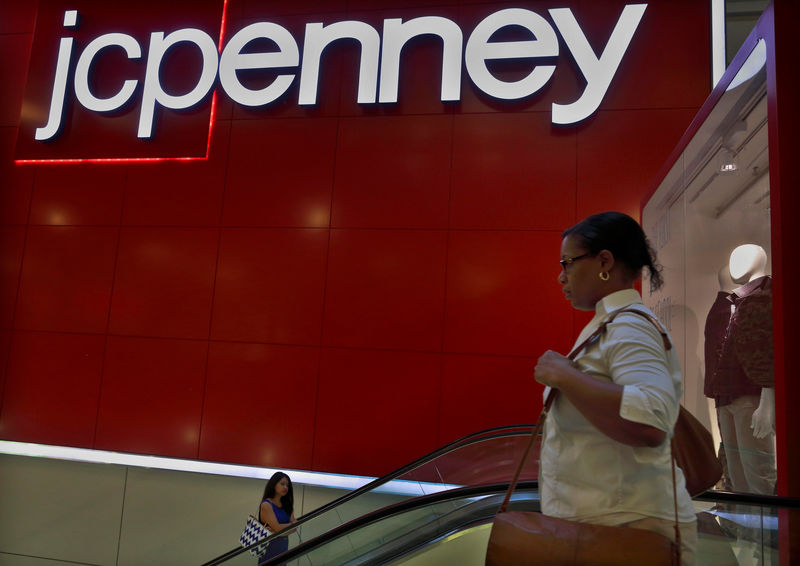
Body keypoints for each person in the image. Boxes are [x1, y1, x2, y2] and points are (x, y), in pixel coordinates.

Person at [533, 211, 697, 565]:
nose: (561, 276)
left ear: (604, 261)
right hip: (611, 521)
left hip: (628, 527)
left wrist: (565, 376)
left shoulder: (629, 327)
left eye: (568, 263)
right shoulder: (610, 324)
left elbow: (651, 420)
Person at [257, 471, 297, 564]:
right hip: (269, 550)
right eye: (282, 484)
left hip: (283, 549)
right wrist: (289, 526)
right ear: (274, 484)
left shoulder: (287, 505)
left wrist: (276, 531)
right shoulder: (266, 505)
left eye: (287, 485)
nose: (285, 487)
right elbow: (282, 528)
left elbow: (295, 526)